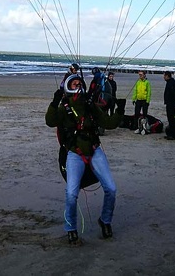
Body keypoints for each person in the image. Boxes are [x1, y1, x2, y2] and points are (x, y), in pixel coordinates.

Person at [45, 73, 123, 245]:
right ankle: (71, 227)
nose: (78, 85)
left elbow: (108, 123)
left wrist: (120, 111)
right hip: (75, 153)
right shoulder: (64, 107)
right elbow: (50, 121)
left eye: (79, 82)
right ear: (68, 87)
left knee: (111, 188)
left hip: (94, 150)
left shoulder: (90, 106)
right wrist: (54, 101)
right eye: (74, 83)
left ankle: (105, 220)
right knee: (72, 194)